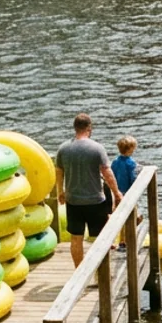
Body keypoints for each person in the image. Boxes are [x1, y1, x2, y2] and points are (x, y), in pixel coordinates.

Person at [55, 113, 122, 267]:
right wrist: (117, 192)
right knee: (101, 238)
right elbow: (107, 173)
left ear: (75, 128)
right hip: (95, 200)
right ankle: (102, 275)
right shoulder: (96, 148)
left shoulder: (63, 149)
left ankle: (79, 273)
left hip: (73, 201)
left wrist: (61, 191)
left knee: (76, 238)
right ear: (89, 128)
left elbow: (59, 171)